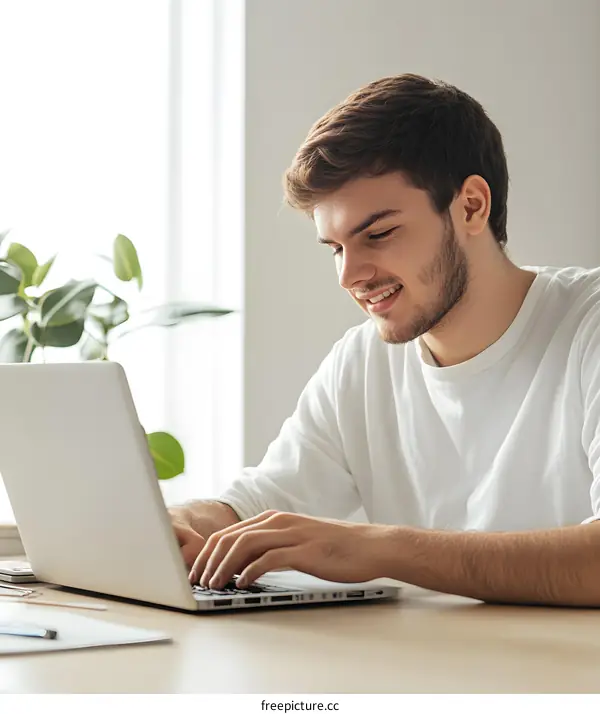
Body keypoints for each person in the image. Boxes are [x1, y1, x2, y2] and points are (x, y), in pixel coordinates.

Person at [169, 73, 600, 607]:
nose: (351, 275)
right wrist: (187, 521)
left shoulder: (588, 327)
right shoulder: (363, 361)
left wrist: (382, 549)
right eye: (335, 248)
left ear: (471, 206)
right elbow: (259, 503)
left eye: (378, 234)